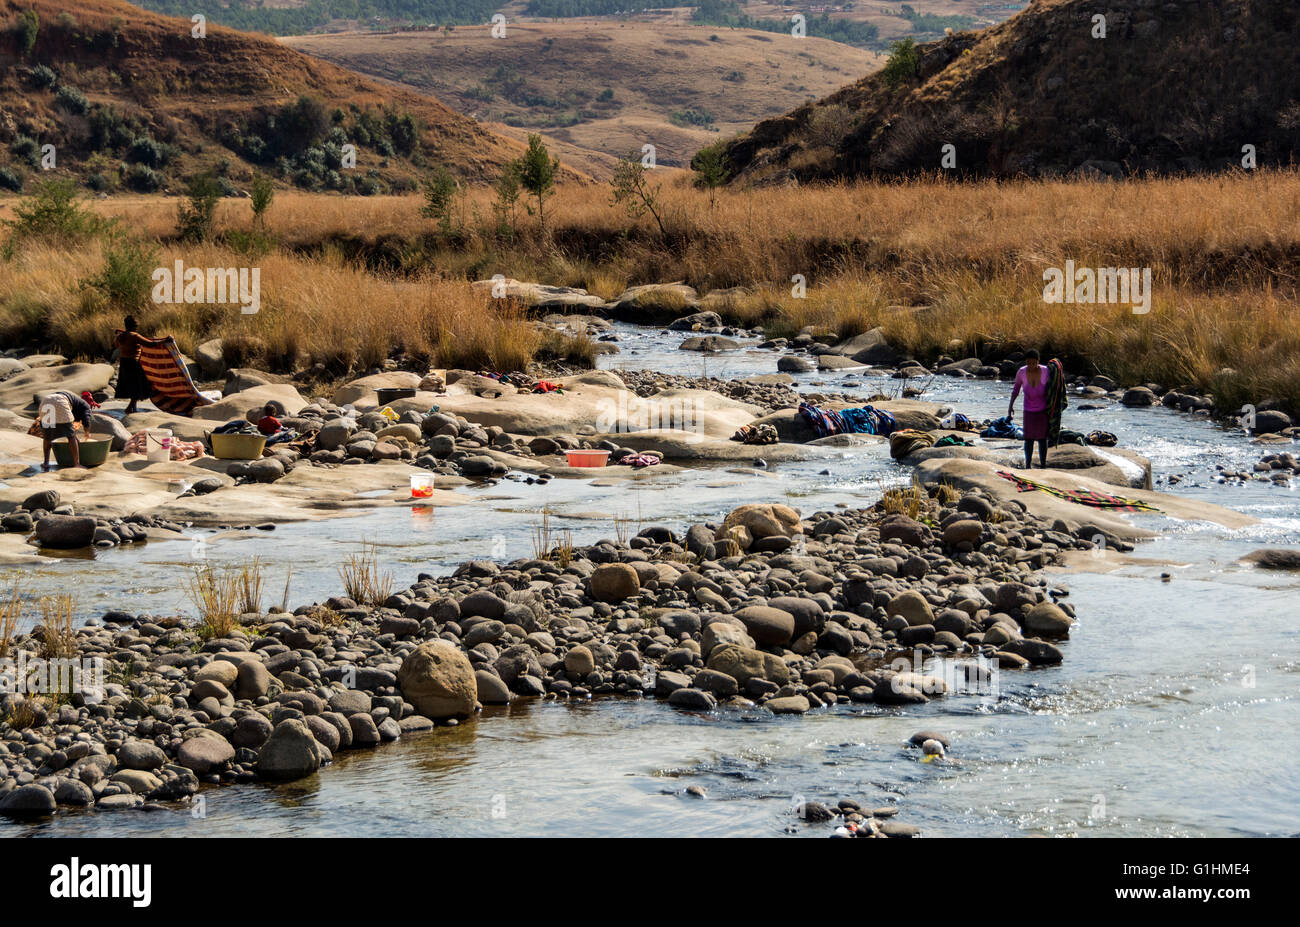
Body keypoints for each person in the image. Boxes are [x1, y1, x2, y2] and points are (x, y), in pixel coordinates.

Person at [114, 315, 165, 415]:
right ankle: (129, 408)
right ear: (133, 325)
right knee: (138, 386)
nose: (137, 326)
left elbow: (116, 345)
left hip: (124, 363)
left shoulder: (120, 337)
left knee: (134, 386)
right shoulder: (134, 336)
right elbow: (150, 344)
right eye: (136, 324)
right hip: (134, 363)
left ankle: (133, 408)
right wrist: (166, 340)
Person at [1009, 349, 1051, 468]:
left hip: (1043, 410)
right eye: (1028, 363)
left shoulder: (1045, 371)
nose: (1031, 366)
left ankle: (1043, 464)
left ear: (1038, 361)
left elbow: (1054, 388)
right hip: (1028, 410)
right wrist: (1010, 406)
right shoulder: (1021, 372)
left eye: (1033, 363)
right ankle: (1028, 465)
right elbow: (1016, 389)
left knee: (1042, 439)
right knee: (1029, 438)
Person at [38, 390, 93, 471]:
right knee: (71, 437)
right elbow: (86, 420)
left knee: (48, 436)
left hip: (46, 400)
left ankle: (46, 463)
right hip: (60, 401)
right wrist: (87, 433)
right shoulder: (86, 406)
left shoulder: (76, 401)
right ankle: (77, 464)